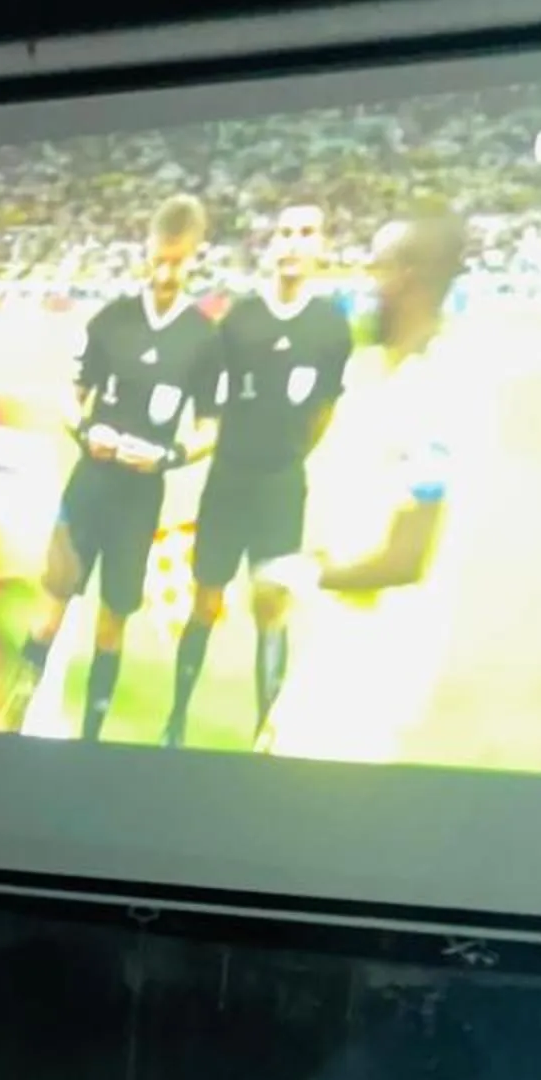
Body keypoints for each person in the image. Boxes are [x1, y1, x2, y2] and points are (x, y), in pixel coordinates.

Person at [9, 196, 219, 742]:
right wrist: (85, 431)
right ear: (146, 252)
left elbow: (209, 428)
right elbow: (69, 395)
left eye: (178, 262)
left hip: (139, 500)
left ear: (195, 257)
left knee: (111, 623)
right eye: (159, 260)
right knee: (49, 610)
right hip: (89, 488)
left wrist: (168, 457)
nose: (166, 273)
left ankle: (92, 741)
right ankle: (7, 724)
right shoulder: (110, 321)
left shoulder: (204, 339)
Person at [262, 210, 468, 768]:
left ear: (407, 278)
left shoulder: (439, 388)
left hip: (374, 662)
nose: (366, 284)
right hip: (340, 639)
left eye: (376, 269)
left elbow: (406, 556)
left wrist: (298, 574)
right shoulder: (386, 376)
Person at [165, 200, 352, 748]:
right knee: (206, 599)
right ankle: (175, 721)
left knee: (272, 607)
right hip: (228, 480)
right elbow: (209, 396)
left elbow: (323, 411)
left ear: (321, 246)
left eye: (306, 232)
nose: (293, 242)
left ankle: (263, 736)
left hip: (280, 486)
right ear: (270, 246)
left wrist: (287, 455)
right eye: (284, 232)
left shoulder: (331, 328)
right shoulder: (240, 320)